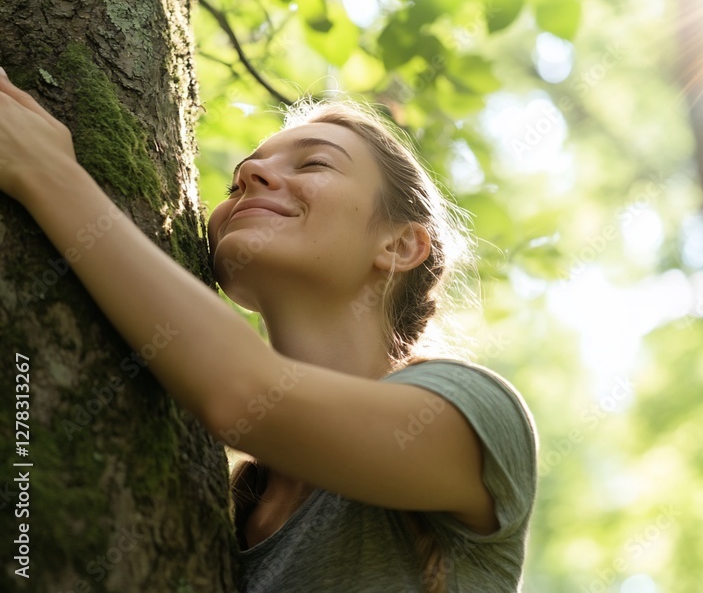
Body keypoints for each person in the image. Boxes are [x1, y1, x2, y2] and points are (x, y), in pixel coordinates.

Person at [0, 67, 538, 592]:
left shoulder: (473, 415)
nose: (248, 177)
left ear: (398, 246)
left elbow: (243, 393)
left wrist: (48, 174)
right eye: (240, 176)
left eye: (316, 164)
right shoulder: (223, 511)